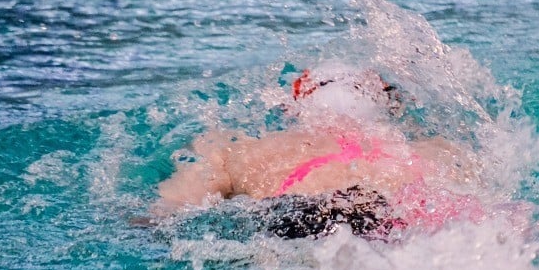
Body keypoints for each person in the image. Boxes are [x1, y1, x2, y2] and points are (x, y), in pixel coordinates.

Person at [153, 64, 485, 239]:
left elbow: (168, 212)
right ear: (385, 105)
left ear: (295, 102)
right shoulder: (439, 149)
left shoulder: (236, 147)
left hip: (300, 213)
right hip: (402, 214)